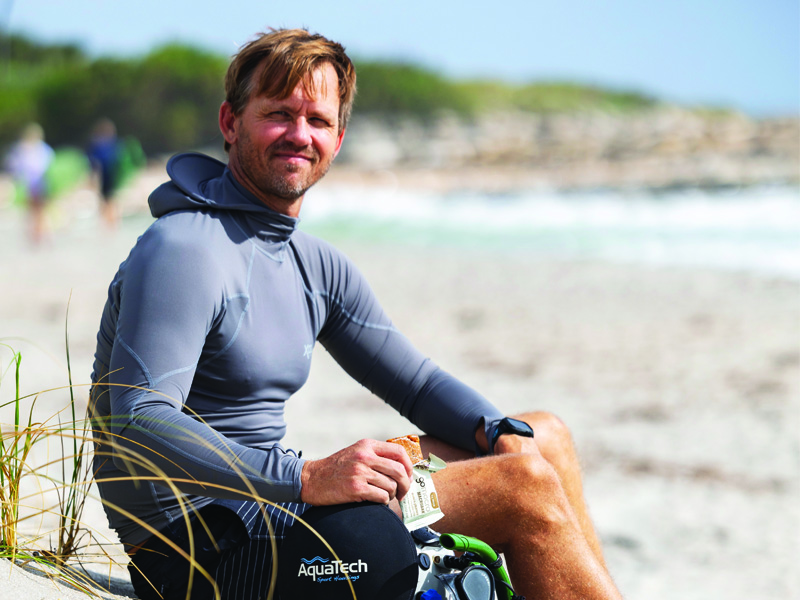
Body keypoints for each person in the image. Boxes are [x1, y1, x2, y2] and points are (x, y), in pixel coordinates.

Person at [89, 28, 622, 600]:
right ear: (230, 122)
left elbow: (416, 383)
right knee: (523, 486)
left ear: (338, 139)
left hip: (283, 509)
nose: (299, 135)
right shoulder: (184, 249)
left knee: (543, 438)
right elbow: (140, 420)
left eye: (317, 121)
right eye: (278, 114)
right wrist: (308, 477)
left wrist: (498, 431)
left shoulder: (314, 265)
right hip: (207, 555)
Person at [4, 122, 54, 245]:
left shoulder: (40, 149)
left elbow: (47, 165)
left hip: (39, 182)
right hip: (28, 184)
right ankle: (36, 233)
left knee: (40, 209)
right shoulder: (23, 148)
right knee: (33, 210)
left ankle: (41, 233)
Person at [86, 118, 121, 229]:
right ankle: (111, 223)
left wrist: (91, 177)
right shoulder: (114, 143)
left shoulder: (98, 143)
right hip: (110, 175)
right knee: (110, 199)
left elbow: (93, 162)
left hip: (105, 175)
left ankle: (109, 223)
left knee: (106, 200)